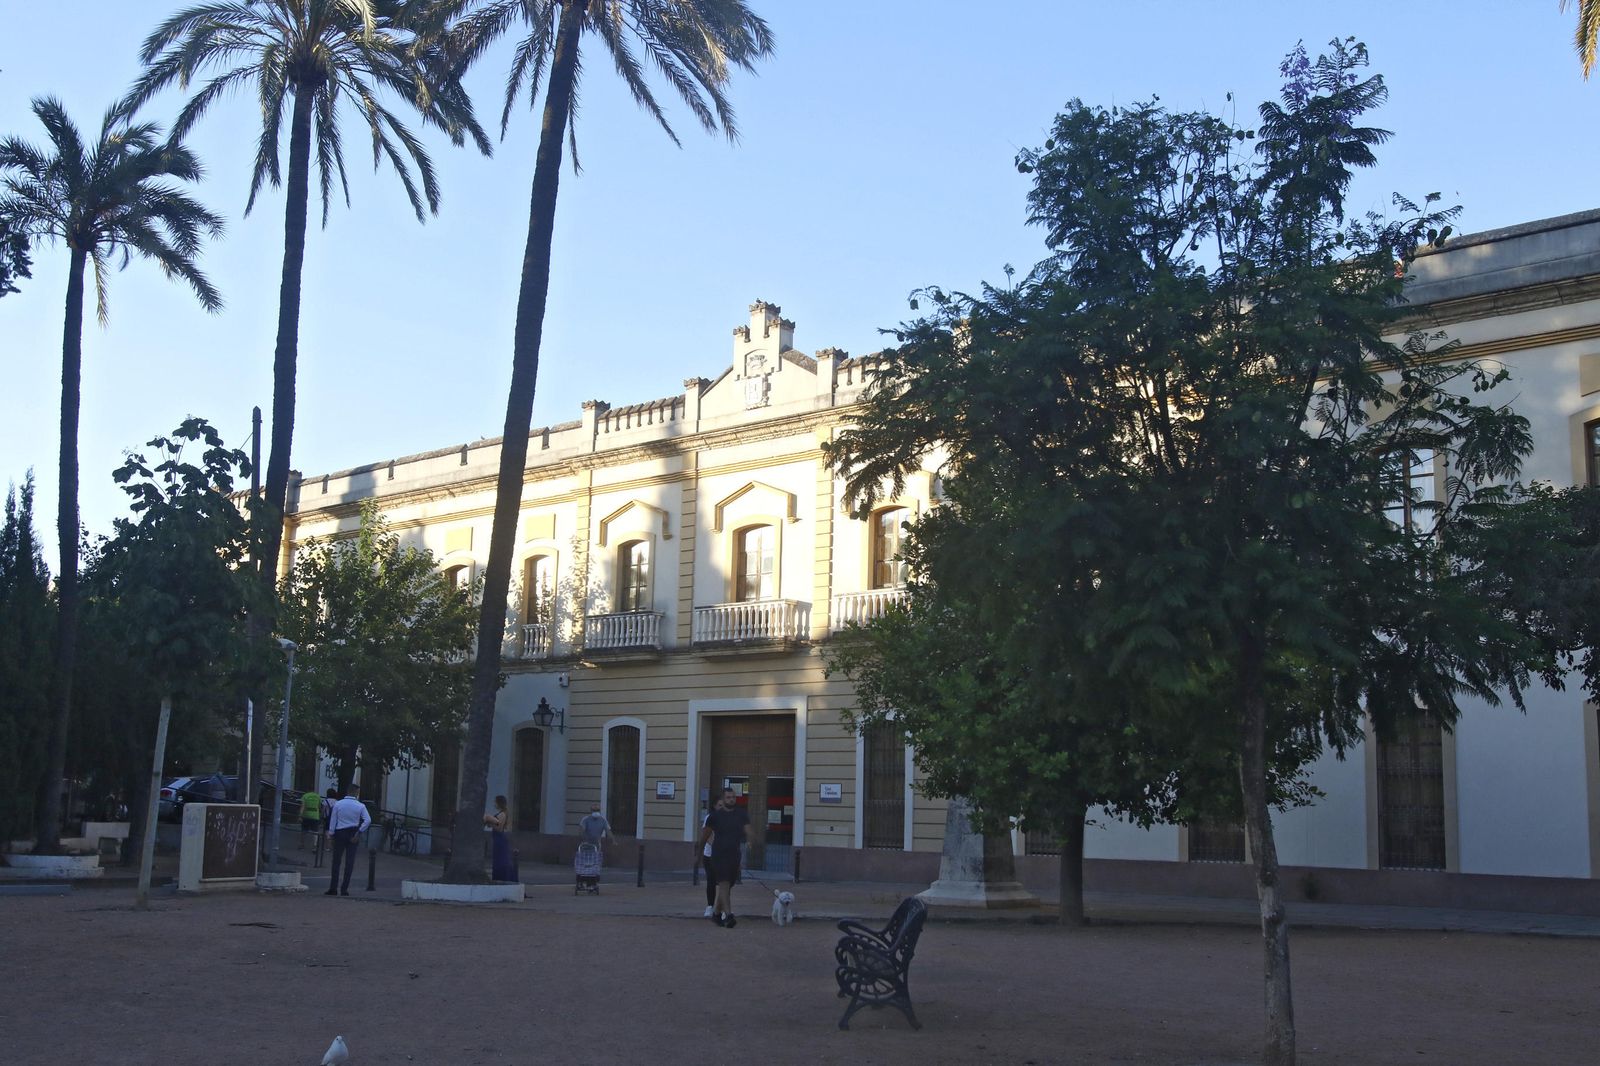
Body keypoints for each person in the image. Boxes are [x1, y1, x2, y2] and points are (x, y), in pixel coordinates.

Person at [698, 786, 753, 928]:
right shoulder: (714, 817)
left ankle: (716, 914)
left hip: (734, 855)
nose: (731, 799)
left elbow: (748, 831)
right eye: (728, 797)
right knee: (724, 883)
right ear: (723, 799)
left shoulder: (741, 814)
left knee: (729, 885)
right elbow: (704, 836)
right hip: (718, 855)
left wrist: (750, 840)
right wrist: (698, 854)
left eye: (733, 797)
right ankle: (728, 916)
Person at [324, 784, 371, 896]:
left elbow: (333, 820)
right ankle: (344, 889)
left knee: (336, 861)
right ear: (356, 793)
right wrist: (359, 832)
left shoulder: (338, 804)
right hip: (353, 832)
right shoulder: (360, 806)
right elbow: (368, 820)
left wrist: (330, 835)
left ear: (347, 791)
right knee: (349, 862)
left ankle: (333, 888)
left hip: (340, 833)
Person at [484, 795, 514, 882]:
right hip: (497, 839)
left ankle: (501, 878)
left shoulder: (502, 814)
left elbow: (499, 828)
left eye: (495, 802)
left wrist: (490, 821)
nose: (494, 804)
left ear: (499, 803)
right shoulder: (501, 813)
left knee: (500, 859)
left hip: (499, 839)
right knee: (498, 859)